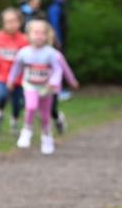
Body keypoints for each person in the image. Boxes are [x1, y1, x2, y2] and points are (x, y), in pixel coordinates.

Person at [7, 20, 79, 155]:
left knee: (45, 116)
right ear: (28, 35)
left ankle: (46, 137)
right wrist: (11, 80)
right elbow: (16, 67)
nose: (39, 36)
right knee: (31, 106)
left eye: (42, 33)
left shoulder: (51, 53)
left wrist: (54, 81)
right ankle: (26, 130)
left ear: (47, 36)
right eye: (35, 33)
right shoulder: (23, 53)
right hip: (30, 85)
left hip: (46, 88)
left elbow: (59, 70)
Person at [0, 7, 28, 133]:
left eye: (14, 21)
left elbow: (30, 55)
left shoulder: (24, 40)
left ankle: (14, 121)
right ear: (3, 23)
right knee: (2, 95)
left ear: (20, 22)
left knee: (17, 102)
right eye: (8, 21)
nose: (11, 24)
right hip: (1, 75)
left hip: (18, 78)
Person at [46, 0, 72, 102]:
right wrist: (58, 40)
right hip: (56, 42)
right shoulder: (55, 6)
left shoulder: (58, 5)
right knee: (57, 65)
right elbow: (54, 24)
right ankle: (57, 90)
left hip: (57, 41)